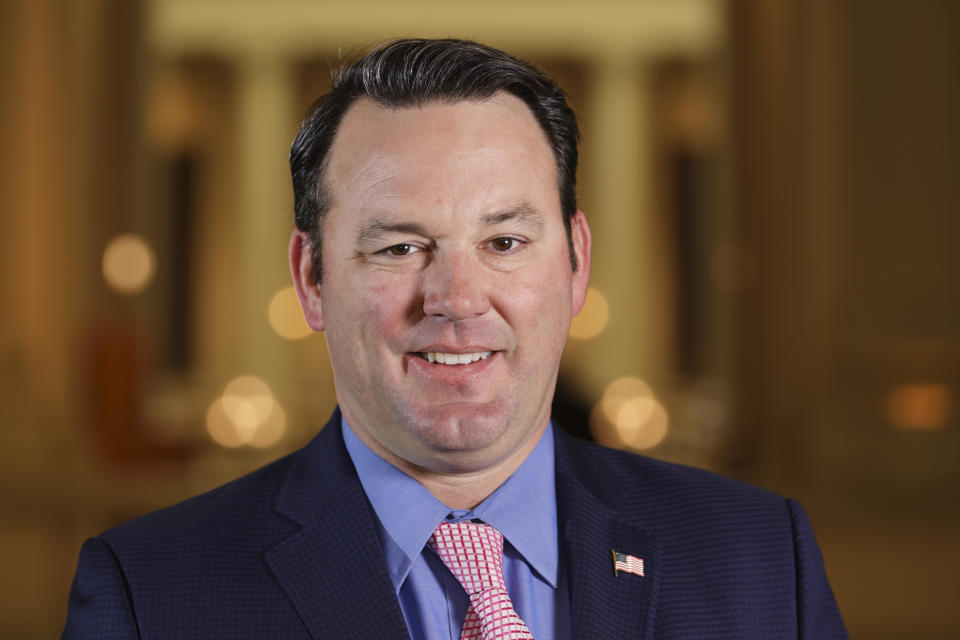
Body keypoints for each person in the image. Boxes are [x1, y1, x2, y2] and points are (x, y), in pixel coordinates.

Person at [63, 38, 847, 639]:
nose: (457, 299)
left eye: (504, 242)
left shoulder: (762, 562)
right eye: (400, 246)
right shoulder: (149, 593)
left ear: (576, 265)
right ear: (312, 279)